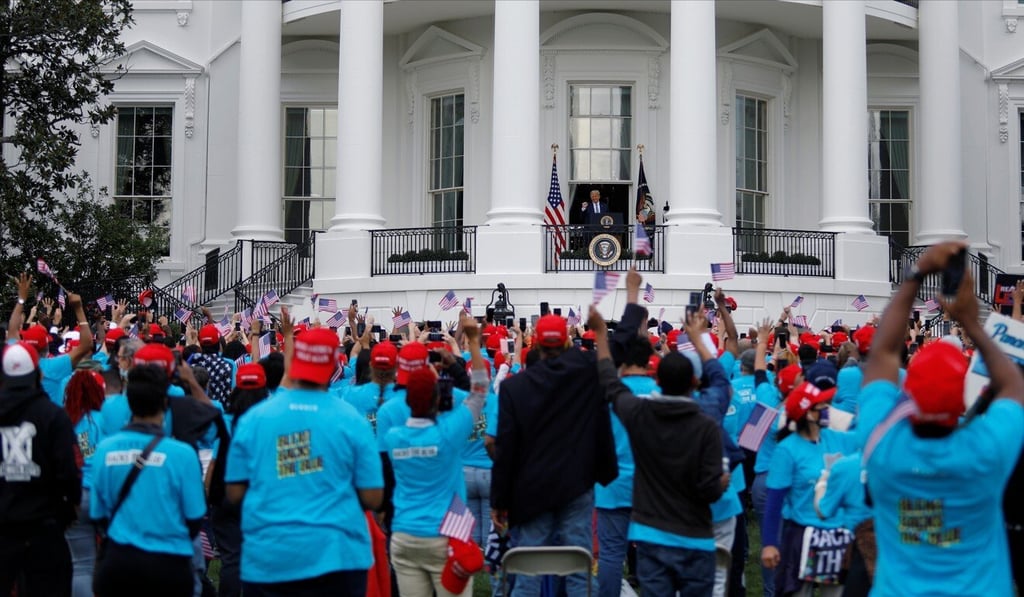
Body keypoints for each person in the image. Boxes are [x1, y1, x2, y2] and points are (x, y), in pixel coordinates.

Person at [853, 241, 1024, 596]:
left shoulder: (881, 443)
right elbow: (1013, 385)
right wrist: (970, 321)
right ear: (961, 398)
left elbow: (883, 352)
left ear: (908, 395)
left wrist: (915, 276)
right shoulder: (987, 449)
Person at [226, 318, 384, 596]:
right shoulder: (351, 419)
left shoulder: (254, 419)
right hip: (338, 557)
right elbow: (372, 497)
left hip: (269, 557)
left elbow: (235, 491)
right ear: (334, 365)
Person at [590, 305, 726, 597]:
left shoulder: (635, 407)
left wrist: (602, 337)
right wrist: (700, 339)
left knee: (612, 555)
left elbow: (607, 380)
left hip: (619, 488)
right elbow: (720, 384)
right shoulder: (702, 418)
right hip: (662, 500)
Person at [491, 309, 618, 596]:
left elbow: (506, 447)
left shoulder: (514, 387)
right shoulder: (587, 374)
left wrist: (499, 499)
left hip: (532, 488)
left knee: (528, 570)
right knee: (579, 568)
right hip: (576, 483)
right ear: (564, 344)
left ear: (535, 345)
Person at [384, 312, 488, 596]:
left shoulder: (393, 437)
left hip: (405, 535)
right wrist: (474, 343)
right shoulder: (449, 432)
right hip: (445, 535)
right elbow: (478, 392)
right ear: (438, 397)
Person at [90, 362, 207, 597]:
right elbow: (194, 518)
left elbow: (98, 514)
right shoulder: (182, 455)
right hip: (169, 565)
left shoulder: (104, 450)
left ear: (129, 402)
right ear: (165, 402)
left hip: (120, 563)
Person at [761, 378, 855, 597]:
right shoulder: (787, 450)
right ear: (809, 414)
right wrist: (768, 544)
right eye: (822, 405)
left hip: (837, 537)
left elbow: (870, 436)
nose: (828, 410)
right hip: (802, 538)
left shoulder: (836, 438)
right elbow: (774, 502)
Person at [0, 341, 80, 596]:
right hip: (43, 526)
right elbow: (68, 472)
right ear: (38, 373)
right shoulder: (53, 415)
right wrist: (67, 513)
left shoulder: (53, 415)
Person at [6, 273, 94, 406]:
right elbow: (87, 344)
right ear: (46, 346)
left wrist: (21, 299)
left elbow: (12, 331)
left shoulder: (13, 361)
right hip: (49, 424)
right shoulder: (54, 366)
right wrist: (78, 308)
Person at [63, 369, 108, 597]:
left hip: (74, 495)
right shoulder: (105, 420)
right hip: (102, 494)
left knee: (80, 565)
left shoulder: (64, 421)